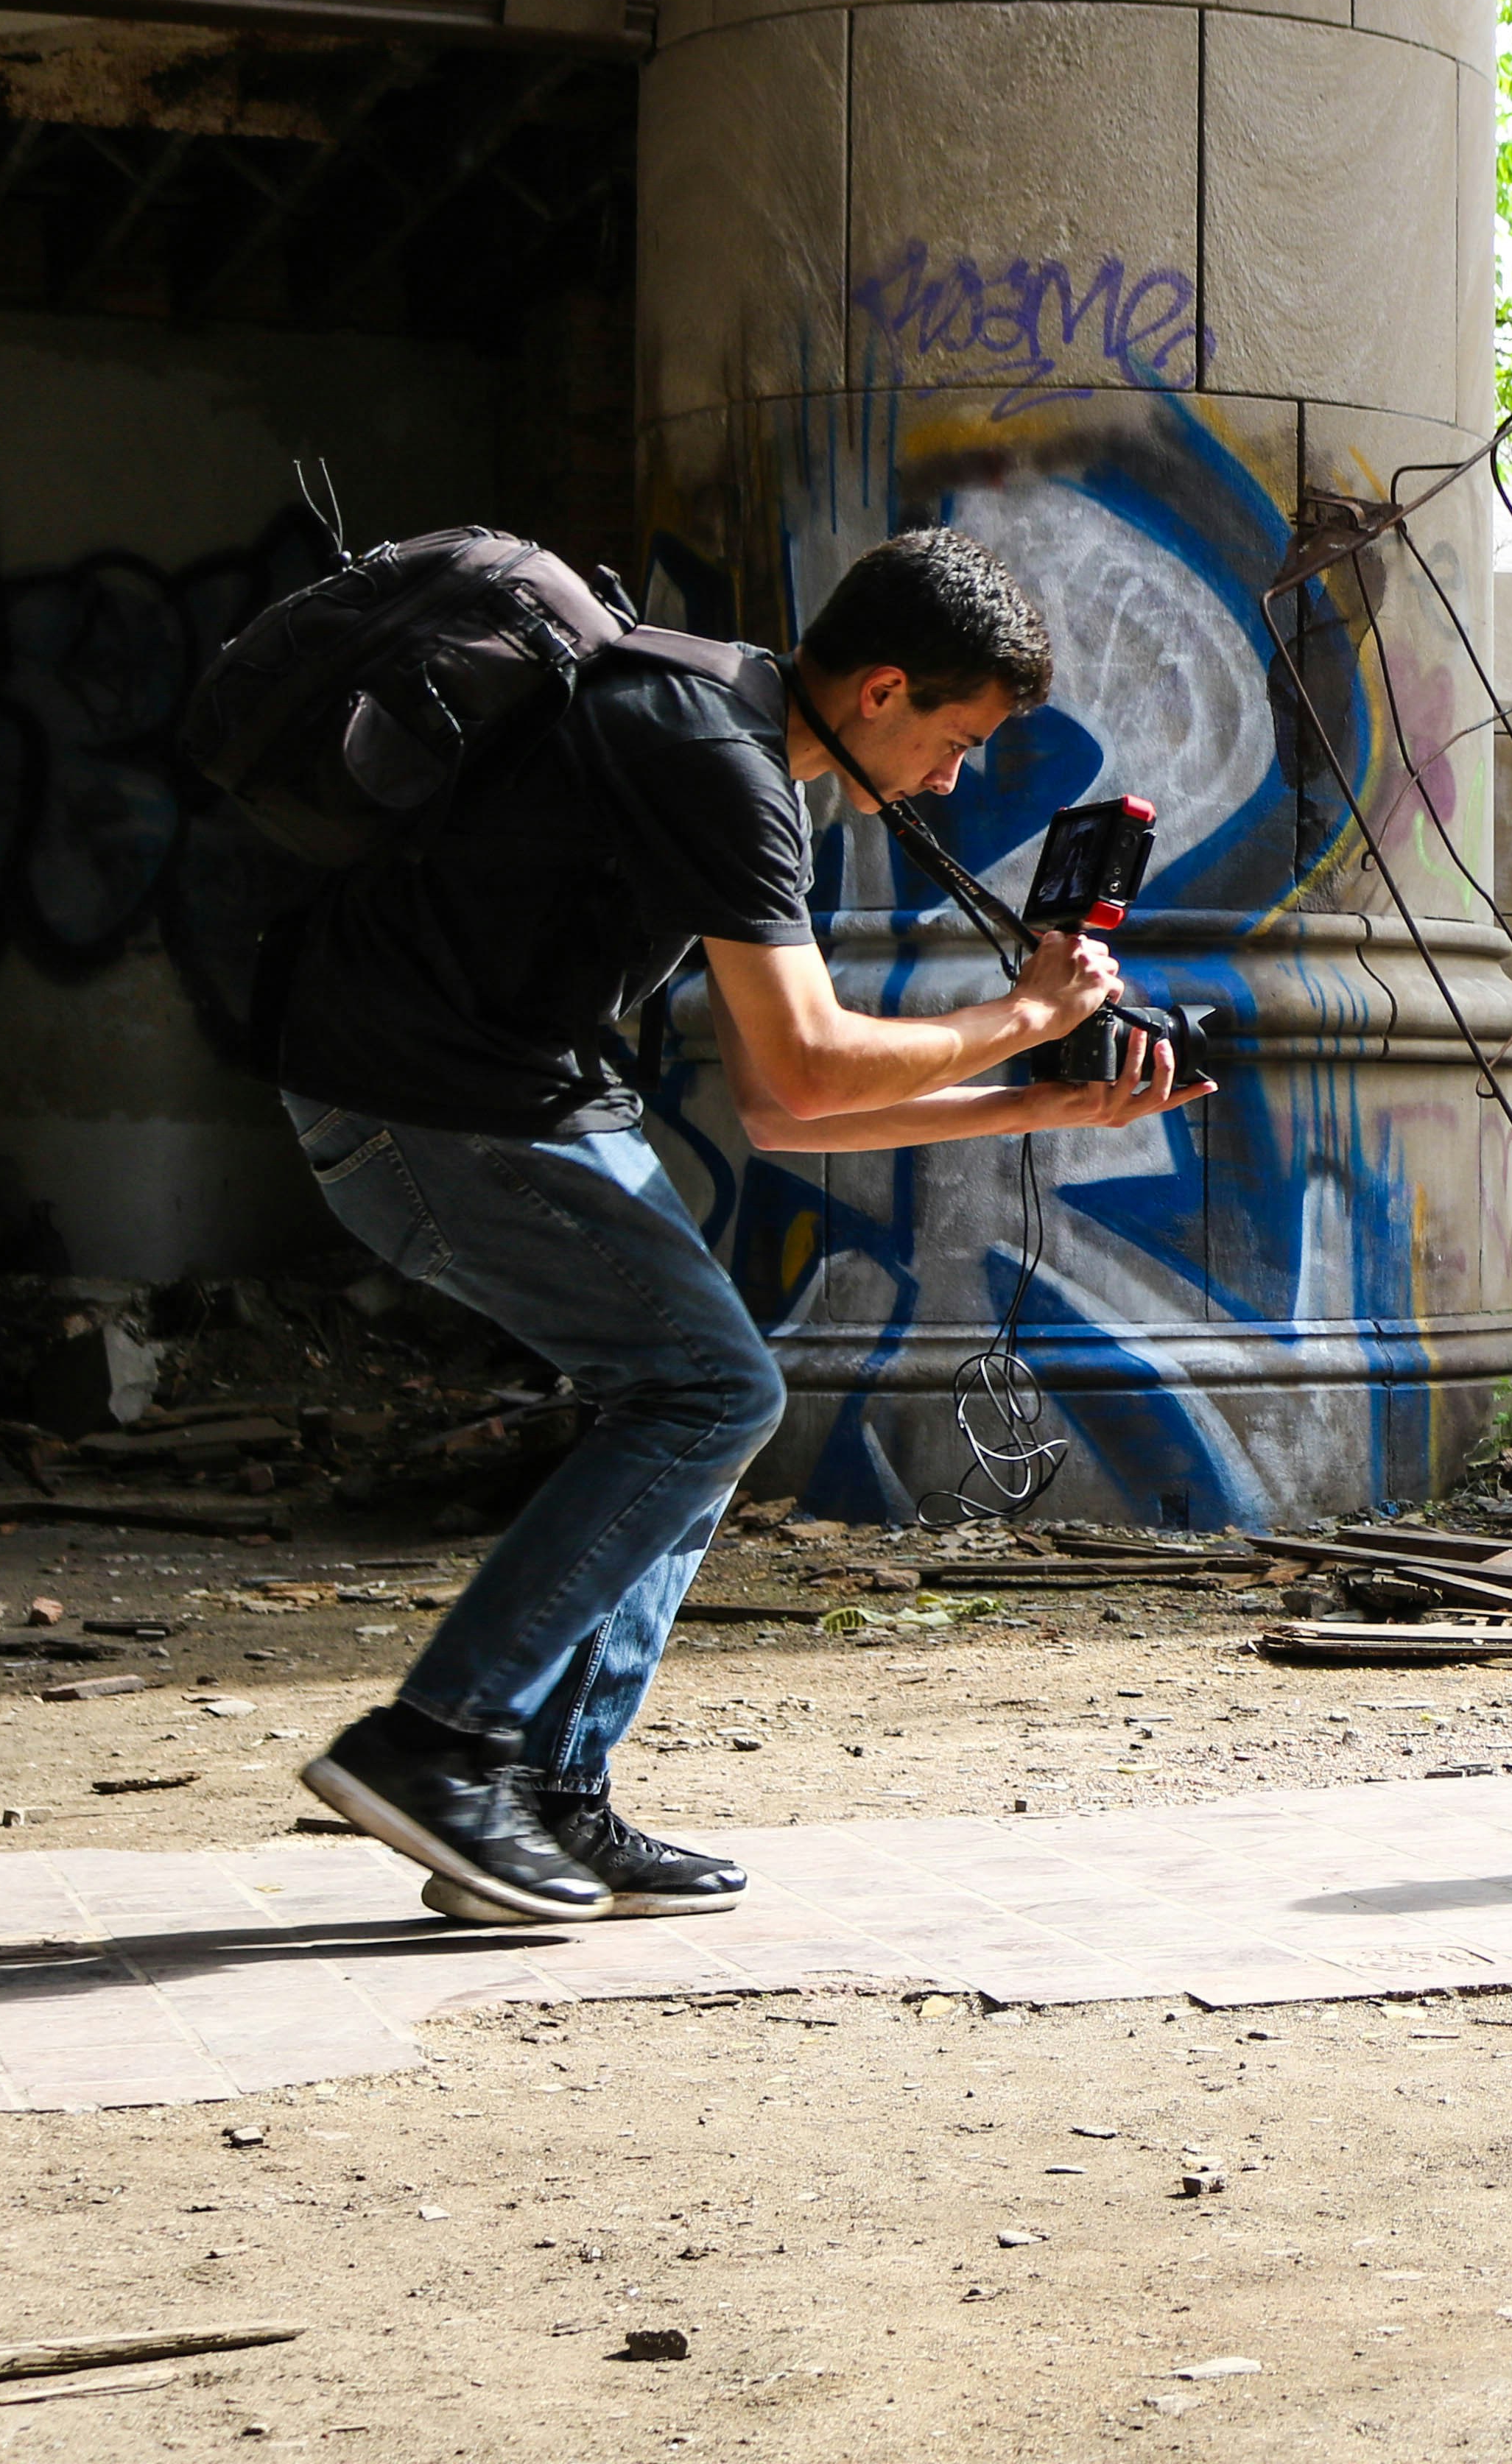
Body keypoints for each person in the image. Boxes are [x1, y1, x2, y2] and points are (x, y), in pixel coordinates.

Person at [275, 527, 1214, 1925]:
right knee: (709, 1392)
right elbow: (811, 1069)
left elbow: (783, 1116)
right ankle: (434, 1744)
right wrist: (1024, 1016)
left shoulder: (721, 729)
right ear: (882, 691)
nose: (949, 781)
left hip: (495, 1092)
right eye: (954, 742)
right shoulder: (716, 757)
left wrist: (1042, 1102)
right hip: (424, 1101)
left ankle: (548, 1792)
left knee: (694, 1402)